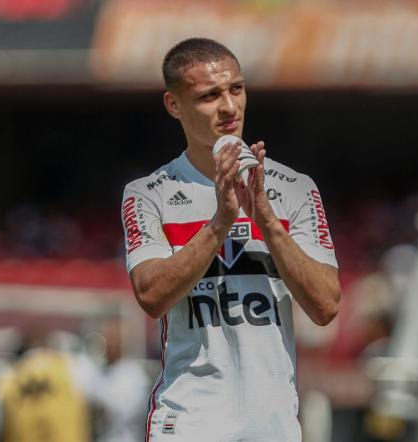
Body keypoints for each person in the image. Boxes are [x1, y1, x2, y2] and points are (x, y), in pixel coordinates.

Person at [121, 37, 341, 441]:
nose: (229, 107)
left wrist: (267, 221)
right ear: (174, 105)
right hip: (189, 421)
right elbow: (151, 296)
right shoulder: (148, 193)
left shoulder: (295, 187)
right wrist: (221, 222)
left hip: (272, 424)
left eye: (236, 89)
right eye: (209, 96)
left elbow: (326, 305)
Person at [90, 316, 151, 442]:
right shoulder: (101, 371)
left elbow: (123, 412)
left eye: (111, 337)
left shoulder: (135, 374)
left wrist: (96, 396)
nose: (107, 342)